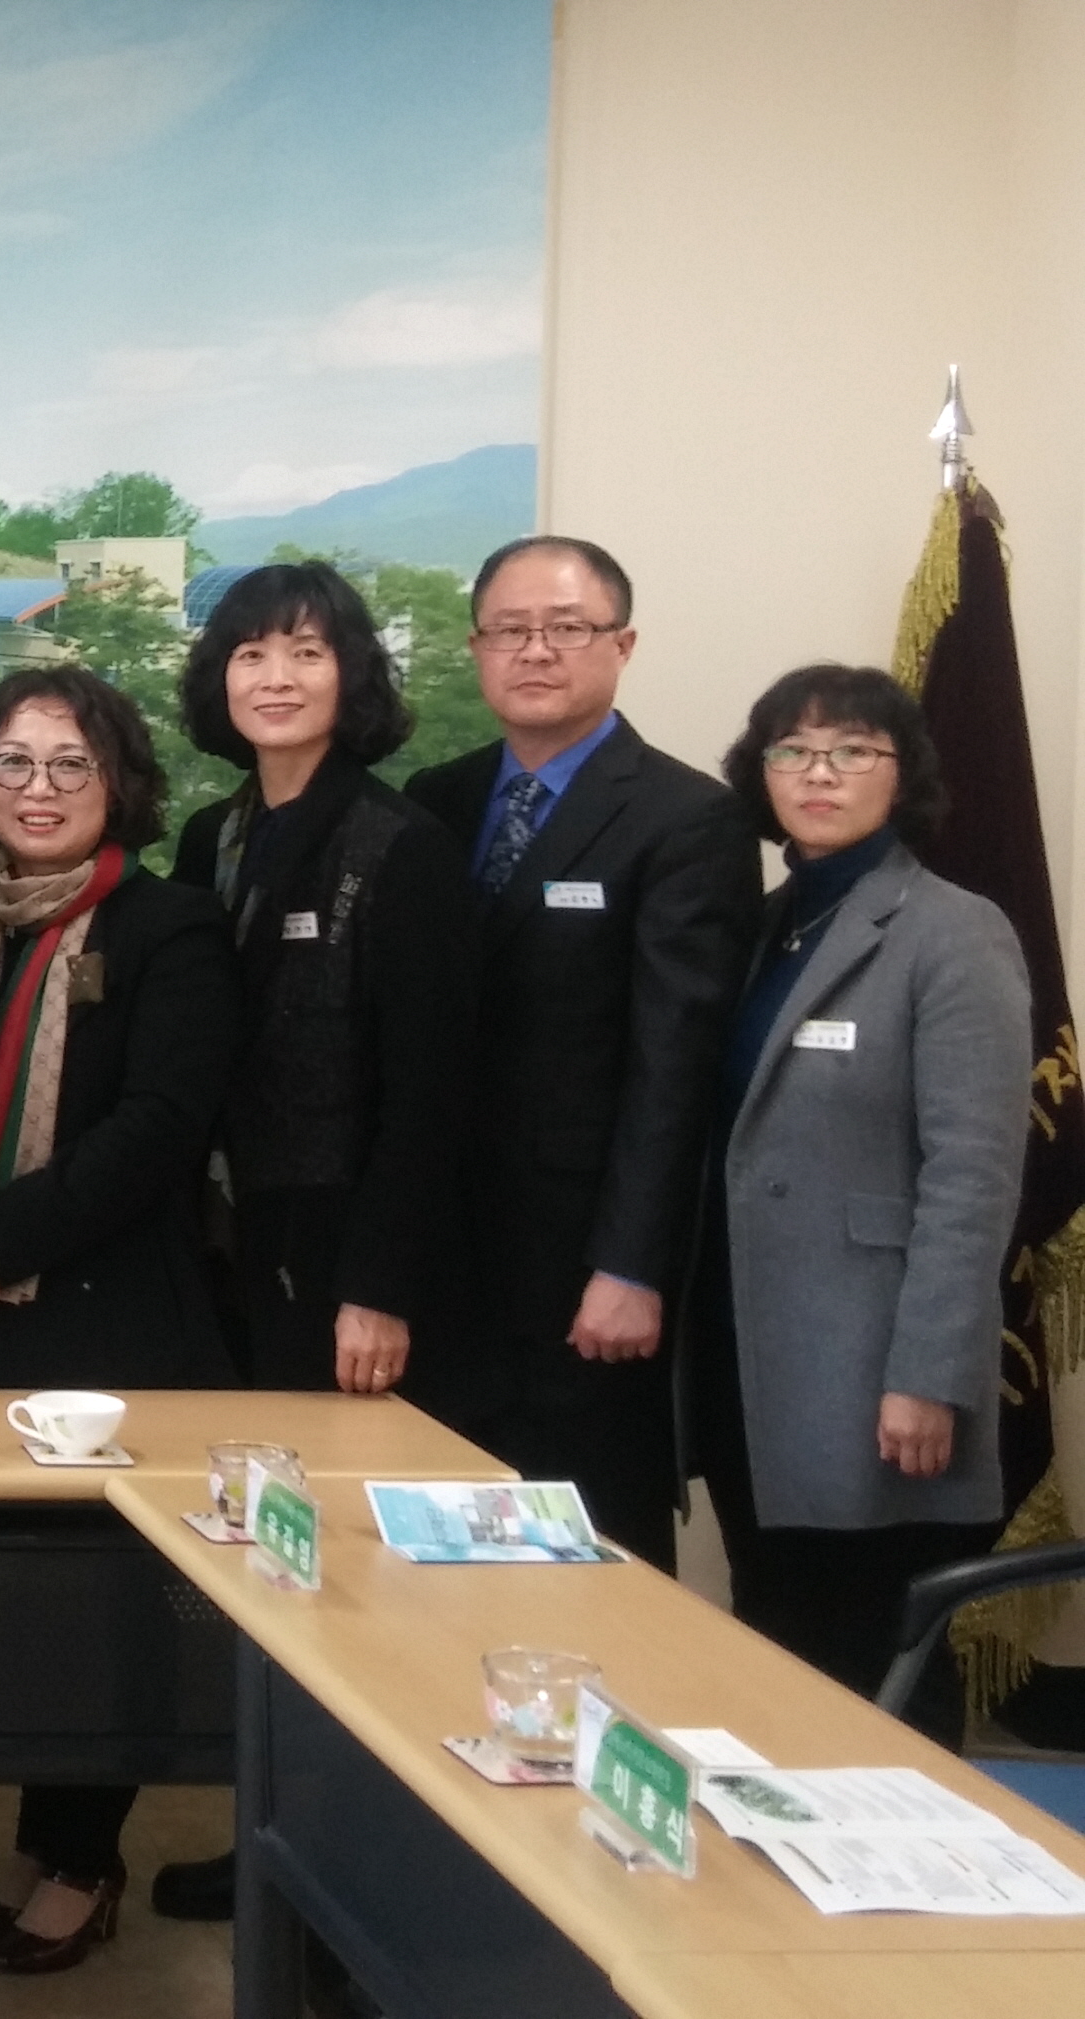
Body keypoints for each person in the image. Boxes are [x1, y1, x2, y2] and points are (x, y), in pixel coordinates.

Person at [0, 665, 239, 1975]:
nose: (39, 788)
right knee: (14, 1608)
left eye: (70, 765)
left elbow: (161, 1127)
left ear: (120, 784)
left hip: (102, 1320)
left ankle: (86, 1856)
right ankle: (41, 1842)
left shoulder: (170, 929)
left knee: (99, 1609)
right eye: (15, 762)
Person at [156, 560, 471, 1925]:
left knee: (346, 1564)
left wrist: (380, 1288)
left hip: (339, 1258)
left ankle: (360, 1858)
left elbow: (434, 1094)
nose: (275, 676)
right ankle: (276, 1825)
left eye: (305, 650)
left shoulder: (399, 849)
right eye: (248, 653)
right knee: (265, 1549)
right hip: (232, 1246)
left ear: (354, 674)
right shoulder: (213, 836)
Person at [402, 537, 760, 1570]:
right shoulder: (439, 797)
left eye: (568, 628)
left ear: (623, 644)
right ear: (476, 648)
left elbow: (675, 1066)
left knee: (592, 1549)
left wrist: (633, 1265)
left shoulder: (687, 818)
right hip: (448, 1258)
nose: (537, 651)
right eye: (510, 630)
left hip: (583, 1271)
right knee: (438, 1546)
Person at [698, 664, 1027, 1745]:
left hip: (878, 1373)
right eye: (793, 750)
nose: (820, 772)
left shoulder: (952, 930)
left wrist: (929, 1377)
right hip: (754, 1357)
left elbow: (973, 1176)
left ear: (903, 774)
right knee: (780, 1645)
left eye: (852, 750)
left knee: (884, 1675)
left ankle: (910, 1904)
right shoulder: (766, 923)